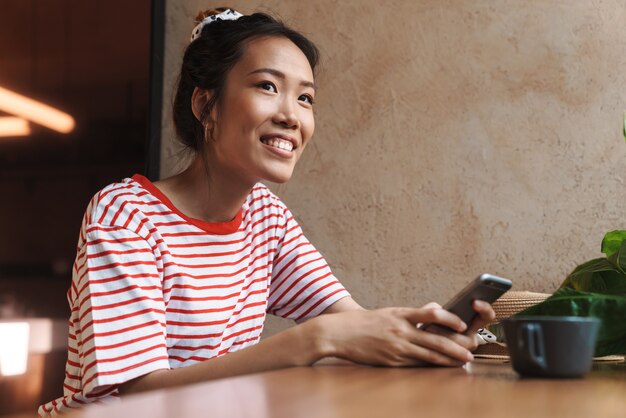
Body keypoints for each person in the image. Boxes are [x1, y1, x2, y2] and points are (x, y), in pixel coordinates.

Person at [39, 8, 495, 417]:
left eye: (305, 98)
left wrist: (424, 334)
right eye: (267, 86)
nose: (291, 116)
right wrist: (314, 341)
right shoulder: (124, 216)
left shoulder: (266, 218)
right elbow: (141, 393)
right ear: (205, 104)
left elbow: (350, 323)